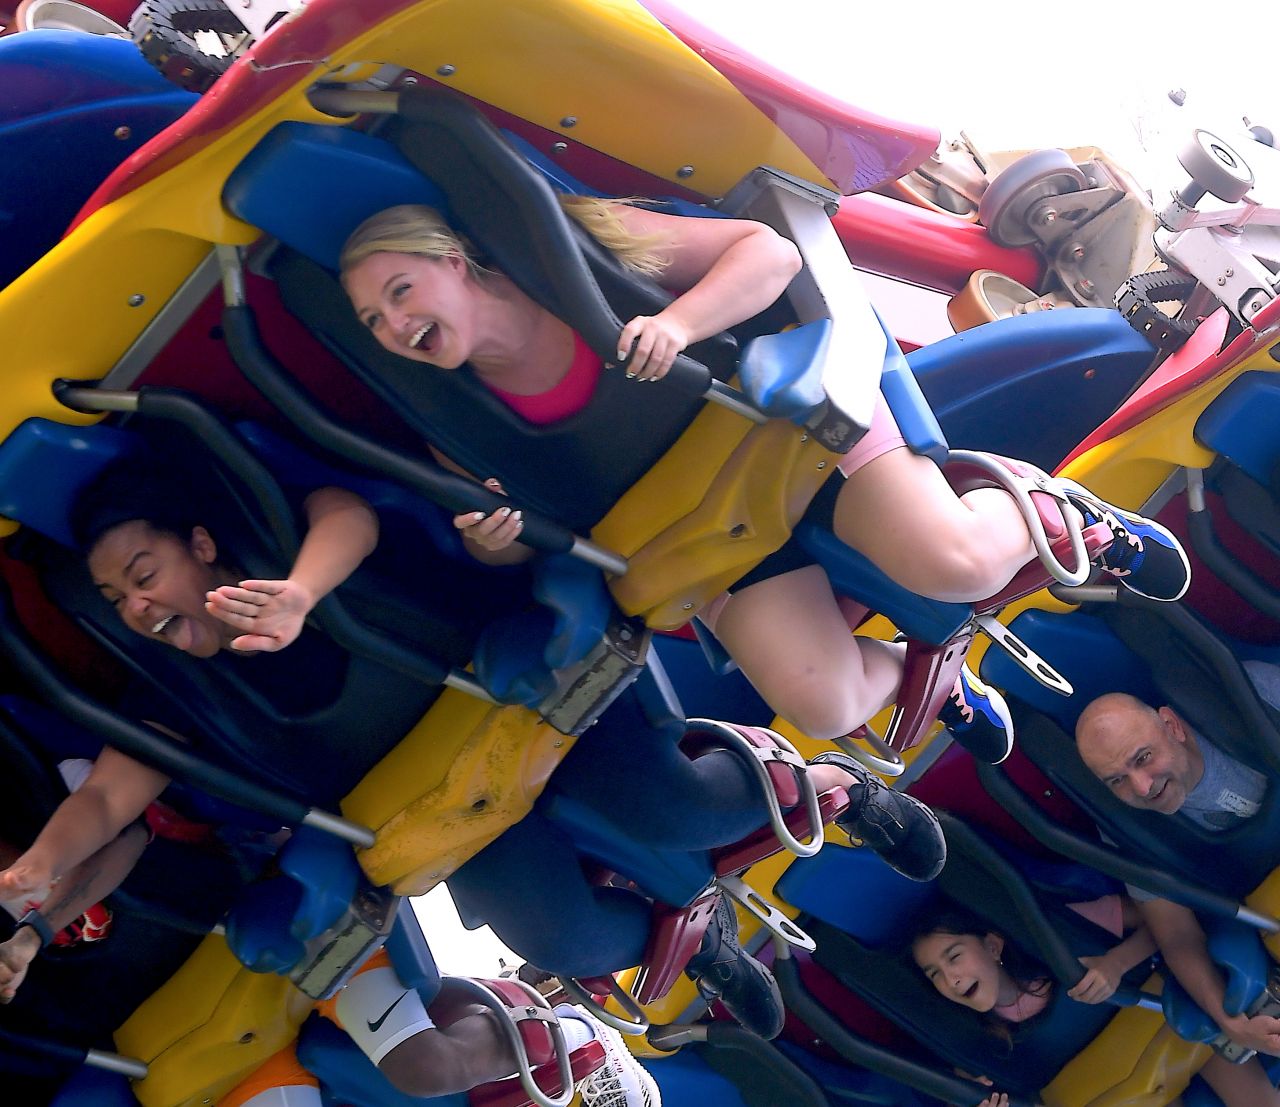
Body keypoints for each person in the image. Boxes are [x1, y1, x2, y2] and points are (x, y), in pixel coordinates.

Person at [338, 199, 1191, 767]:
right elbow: (519, 534)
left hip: (784, 433)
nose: (398, 324)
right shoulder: (450, 413)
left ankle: (1067, 518)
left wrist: (676, 323)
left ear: (453, 258)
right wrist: (495, 540)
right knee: (821, 704)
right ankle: (927, 675)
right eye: (377, 321)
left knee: (959, 564)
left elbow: (770, 253)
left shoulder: (567, 248)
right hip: (701, 524)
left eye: (402, 291)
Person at [1075, 664, 1280, 1107]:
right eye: (1117, 780)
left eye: (1142, 758)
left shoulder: (1248, 696)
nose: (1142, 787)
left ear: (1171, 725)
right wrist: (1231, 1024)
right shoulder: (1126, 829)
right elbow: (1176, 935)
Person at [909, 902, 1156, 1107]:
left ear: (992, 946)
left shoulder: (1055, 931)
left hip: (1158, 1037)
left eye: (954, 957)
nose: (951, 980)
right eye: (934, 975)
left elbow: (1163, 919)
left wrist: (1117, 963)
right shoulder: (972, 1048)